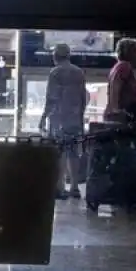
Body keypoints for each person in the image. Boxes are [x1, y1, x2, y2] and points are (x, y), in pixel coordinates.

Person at [39, 43, 88, 200]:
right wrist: (80, 116)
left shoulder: (55, 72)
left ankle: (60, 187)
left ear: (55, 56)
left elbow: (51, 99)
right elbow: (83, 98)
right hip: (74, 119)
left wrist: (43, 117)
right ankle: (74, 187)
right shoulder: (79, 72)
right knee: (73, 153)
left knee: (59, 153)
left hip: (58, 120)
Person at [105, 38, 136, 123]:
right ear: (129, 52)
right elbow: (117, 86)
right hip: (122, 117)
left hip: (119, 115)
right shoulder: (124, 66)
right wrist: (116, 110)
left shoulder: (118, 66)